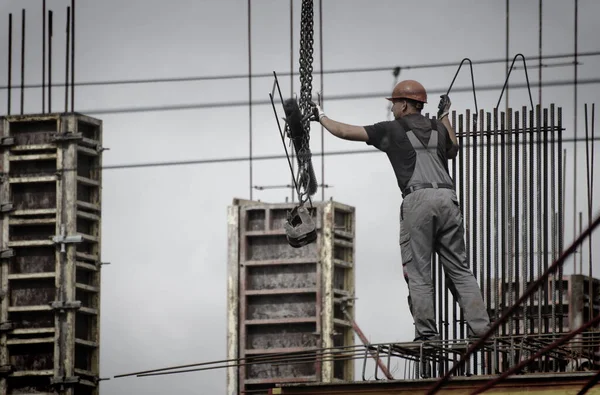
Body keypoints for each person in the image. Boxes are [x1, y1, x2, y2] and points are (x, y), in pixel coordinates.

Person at [308, 80, 491, 341]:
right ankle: (482, 329)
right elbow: (453, 149)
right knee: (460, 270)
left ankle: (427, 335)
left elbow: (346, 132)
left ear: (404, 104)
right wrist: (445, 116)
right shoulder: (438, 128)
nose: (392, 109)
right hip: (448, 199)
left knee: (418, 272)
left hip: (418, 200)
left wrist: (321, 116)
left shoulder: (392, 130)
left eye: (394, 104)